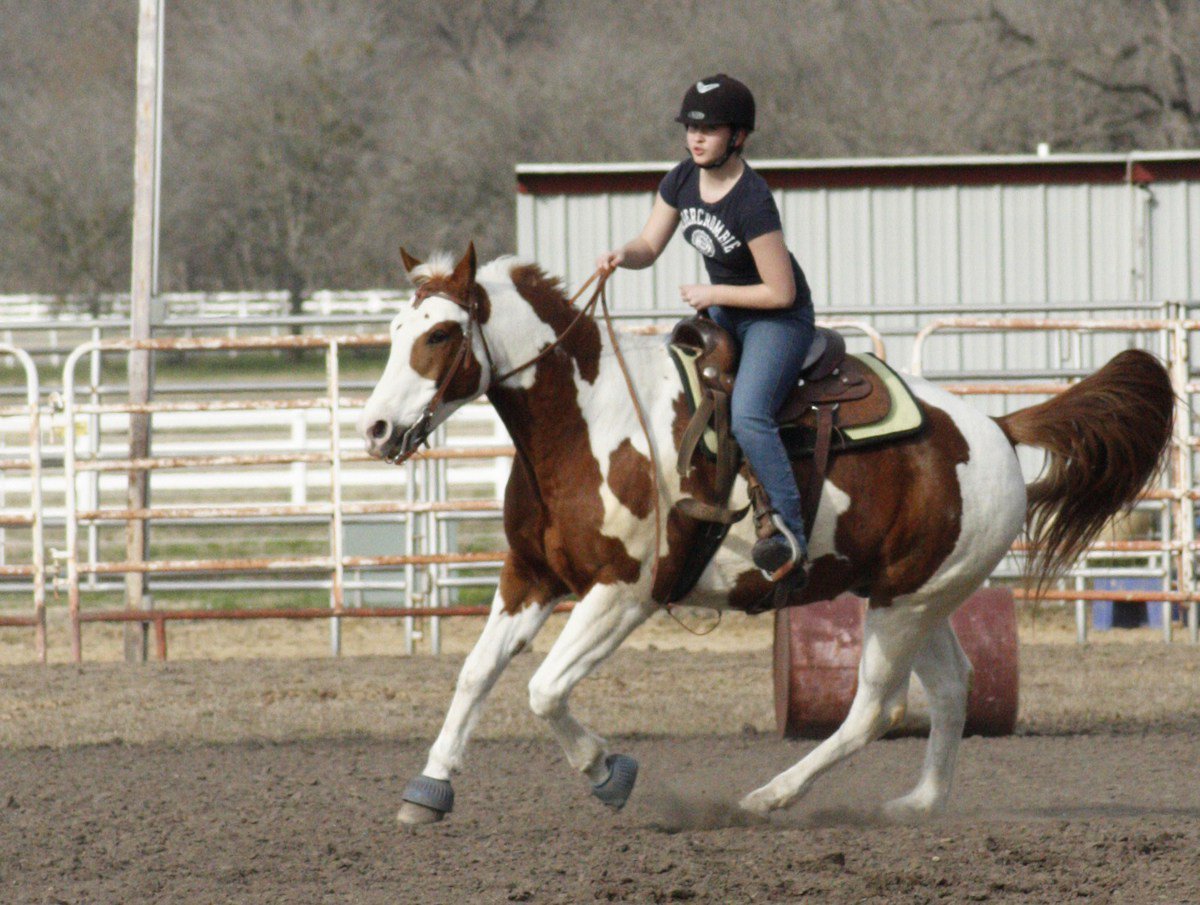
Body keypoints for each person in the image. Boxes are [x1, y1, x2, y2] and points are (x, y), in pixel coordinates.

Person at [596, 73, 816, 584]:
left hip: (775, 320)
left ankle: (790, 536)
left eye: (710, 129)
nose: (695, 138)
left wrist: (713, 294)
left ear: (737, 137)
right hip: (726, 314)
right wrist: (621, 255)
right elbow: (649, 246)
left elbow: (780, 292)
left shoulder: (752, 201)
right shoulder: (680, 179)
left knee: (750, 414)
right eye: (690, 127)